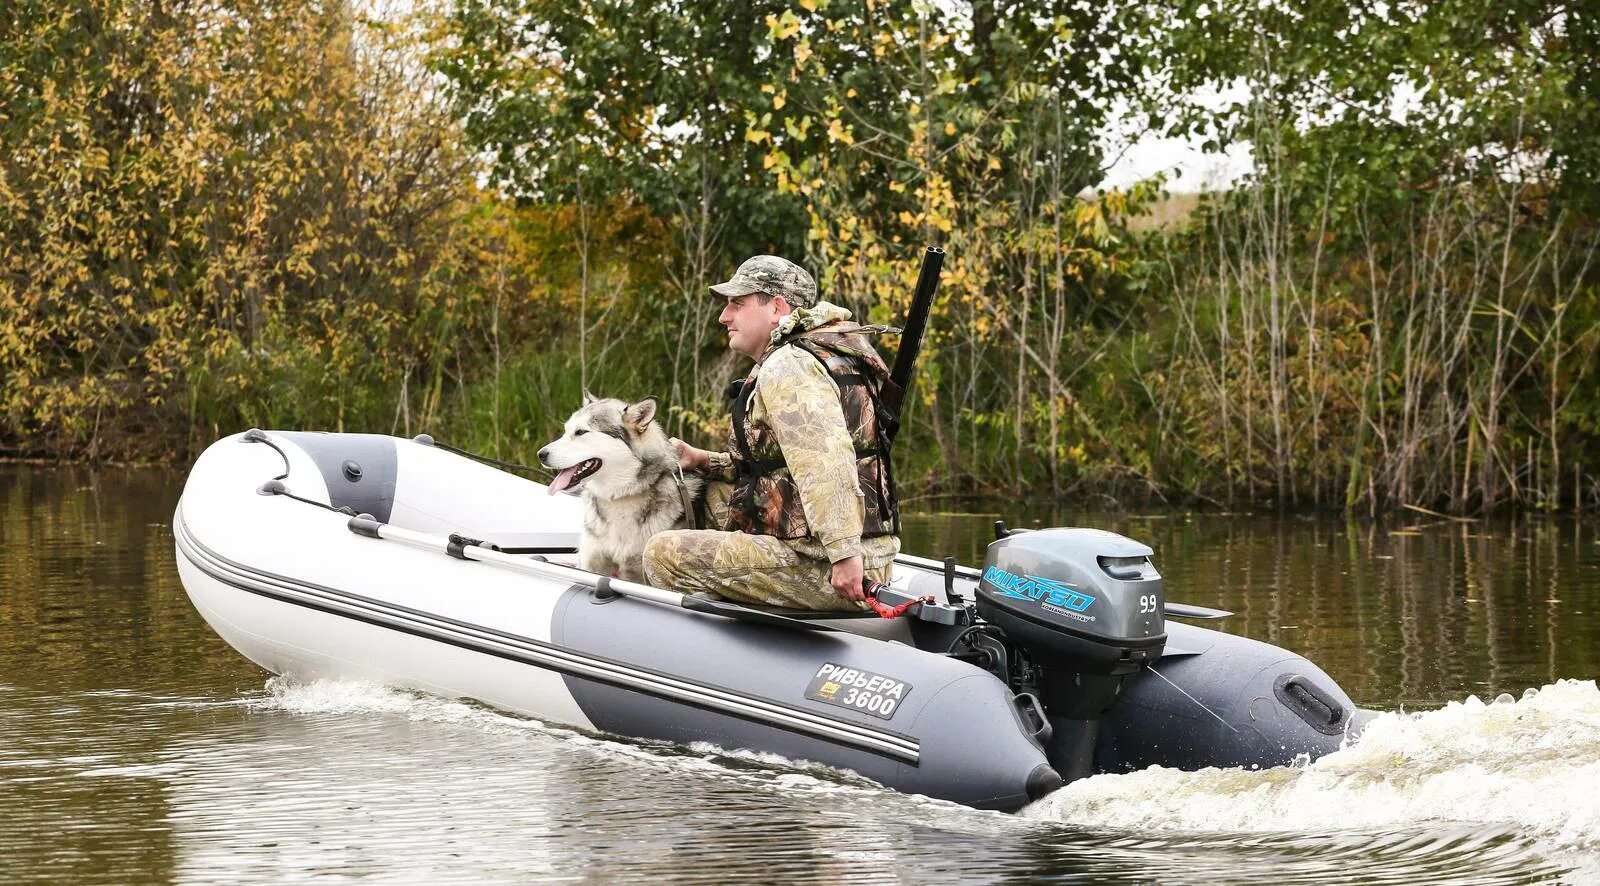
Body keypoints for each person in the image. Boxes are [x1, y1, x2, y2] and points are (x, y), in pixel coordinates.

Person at [642, 255, 900, 611]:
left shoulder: (788, 365)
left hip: (829, 569)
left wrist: (843, 555)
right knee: (715, 494)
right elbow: (777, 464)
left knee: (661, 553)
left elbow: (824, 463)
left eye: (737, 303)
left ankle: (727, 641)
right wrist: (704, 460)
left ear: (776, 307)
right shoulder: (829, 352)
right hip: (853, 551)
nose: (724, 317)